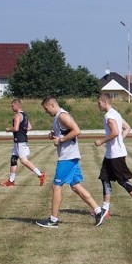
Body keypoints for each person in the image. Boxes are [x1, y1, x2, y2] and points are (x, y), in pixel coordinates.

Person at [36, 96, 106, 228]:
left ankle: (53, 220)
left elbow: (77, 131)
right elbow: (66, 132)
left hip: (67, 157)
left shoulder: (62, 115)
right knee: (75, 186)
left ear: (52, 105)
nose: (46, 111)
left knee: (56, 187)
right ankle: (98, 211)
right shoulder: (58, 117)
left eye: (46, 108)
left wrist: (60, 140)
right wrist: (54, 136)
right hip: (69, 156)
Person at [93, 94, 132, 218]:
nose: (98, 105)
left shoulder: (109, 115)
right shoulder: (116, 114)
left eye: (99, 103)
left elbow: (115, 132)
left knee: (122, 180)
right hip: (111, 154)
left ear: (105, 102)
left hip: (115, 155)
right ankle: (105, 209)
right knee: (105, 178)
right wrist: (119, 141)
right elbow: (127, 128)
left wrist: (101, 141)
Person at [0, 98, 45, 187]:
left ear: (17, 105)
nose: (11, 108)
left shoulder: (17, 116)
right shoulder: (25, 115)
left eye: (12, 106)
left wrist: (8, 130)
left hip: (20, 141)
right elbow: (30, 127)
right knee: (13, 159)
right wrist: (23, 131)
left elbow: (16, 128)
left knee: (24, 161)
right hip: (19, 140)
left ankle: (40, 174)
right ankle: (11, 181)